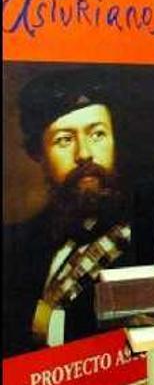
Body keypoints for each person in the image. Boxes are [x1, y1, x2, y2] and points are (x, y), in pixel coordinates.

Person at [3, 69, 134, 357]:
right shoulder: (20, 242)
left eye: (97, 134)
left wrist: (49, 322)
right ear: (39, 154)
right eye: (64, 139)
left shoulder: (148, 231)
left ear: (114, 140)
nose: (84, 154)